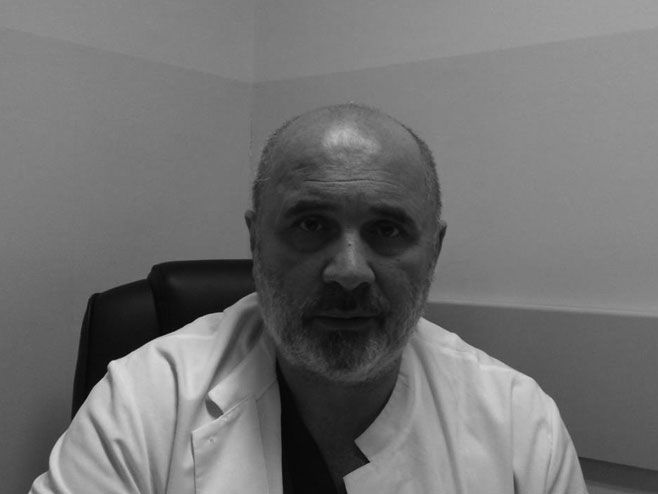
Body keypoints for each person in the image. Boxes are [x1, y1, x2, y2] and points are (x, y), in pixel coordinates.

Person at [31, 103, 588, 493]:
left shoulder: (521, 426)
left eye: (387, 230)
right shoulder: (139, 405)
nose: (349, 272)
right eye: (311, 224)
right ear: (256, 241)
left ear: (434, 251)